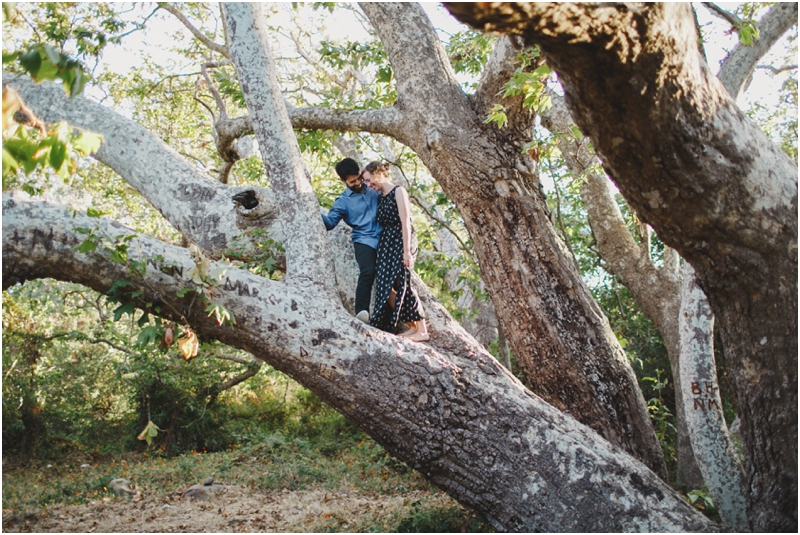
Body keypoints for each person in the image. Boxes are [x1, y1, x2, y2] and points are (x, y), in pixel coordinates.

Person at [361, 162, 429, 342]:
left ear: (378, 174)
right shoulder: (380, 196)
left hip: (401, 239)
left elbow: (406, 222)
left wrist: (406, 252)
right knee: (384, 286)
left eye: (369, 180)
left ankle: (422, 329)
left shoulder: (398, 191)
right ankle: (412, 325)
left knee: (402, 282)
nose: (369, 185)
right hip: (386, 242)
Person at [321, 158, 381, 323]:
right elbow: (330, 223)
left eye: (359, 178)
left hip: (385, 237)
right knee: (368, 271)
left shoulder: (373, 187)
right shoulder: (342, 201)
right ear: (343, 181)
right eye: (352, 181)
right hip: (363, 240)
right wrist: (312, 209)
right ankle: (362, 312)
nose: (357, 183)